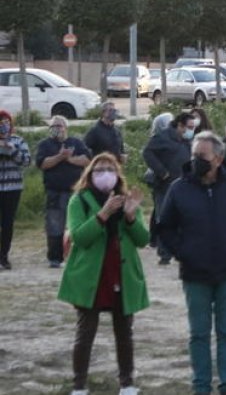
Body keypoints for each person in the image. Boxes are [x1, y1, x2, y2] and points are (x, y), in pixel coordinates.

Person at [157, 131, 226, 394]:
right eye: (194, 155)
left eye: (201, 156)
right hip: (195, 273)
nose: (196, 160)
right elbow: (165, 226)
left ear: (217, 158)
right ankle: (201, 385)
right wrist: (183, 252)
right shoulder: (179, 188)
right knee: (199, 334)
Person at [58, 153, 148, 395]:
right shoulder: (79, 200)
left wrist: (130, 216)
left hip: (122, 273)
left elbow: (143, 240)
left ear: (118, 174)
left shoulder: (127, 200)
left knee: (124, 333)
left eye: (110, 169)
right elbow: (79, 237)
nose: (105, 174)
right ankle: (79, 385)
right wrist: (103, 214)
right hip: (91, 276)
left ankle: (127, 383)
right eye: (99, 170)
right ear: (89, 174)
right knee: (85, 332)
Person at [36, 115, 91, 267]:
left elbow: (87, 160)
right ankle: (55, 258)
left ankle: (79, 255)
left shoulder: (76, 143)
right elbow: (42, 164)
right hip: (55, 192)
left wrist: (70, 159)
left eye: (59, 125)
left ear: (66, 128)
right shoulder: (45, 145)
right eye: (53, 126)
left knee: (79, 224)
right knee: (55, 225)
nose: (56, 128)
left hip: (76, 192)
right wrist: (60, 156)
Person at [142, 110, 194, 266]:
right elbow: (147, 153)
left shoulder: (184, 141)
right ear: (180, 125)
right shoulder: (162, 137)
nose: (192, 130)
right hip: (165, 185)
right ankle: (164, 253)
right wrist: (162, 171)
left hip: (184, 184)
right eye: (189, 127)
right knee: (164, 217)